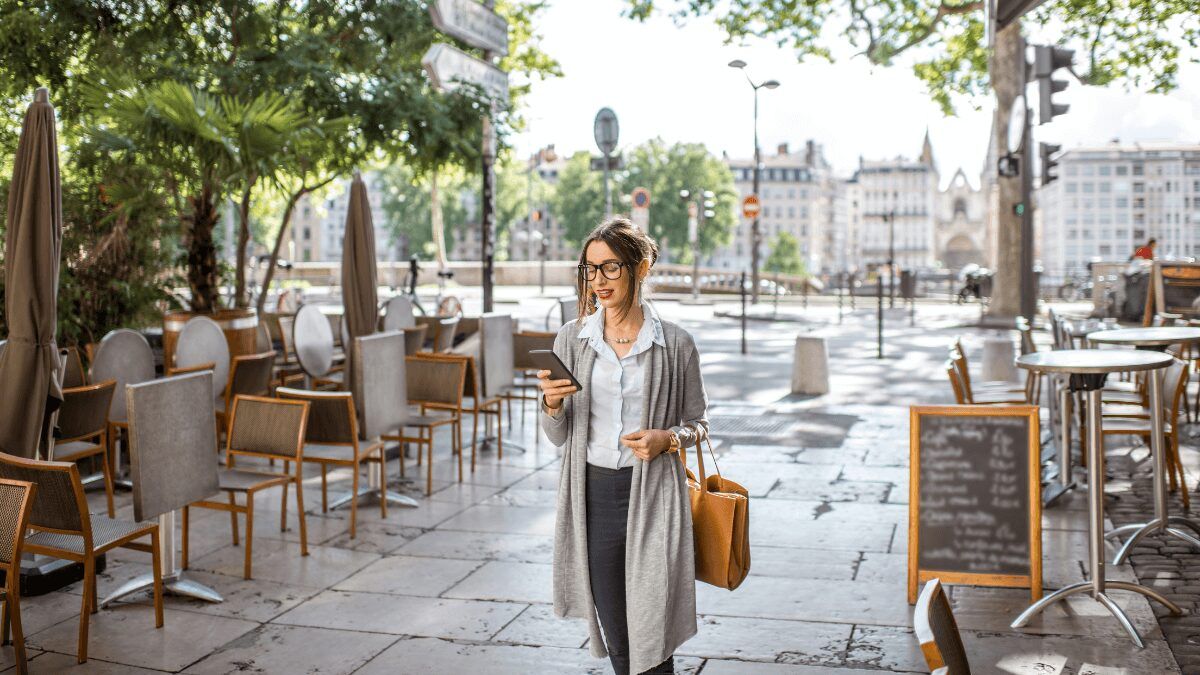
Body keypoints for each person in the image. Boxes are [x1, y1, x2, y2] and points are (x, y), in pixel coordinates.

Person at [538, 216, 708, 675]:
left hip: (652, 495)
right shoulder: (572, 339)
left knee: (654, 631)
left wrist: (667, 438)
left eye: (610, 267)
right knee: (618, 633)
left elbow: (699, 424)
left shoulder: (675, 344)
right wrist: (552, 407)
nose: (598, 281)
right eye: (590, 269)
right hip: (591, 496)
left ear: (642, 267)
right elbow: (558, 436)